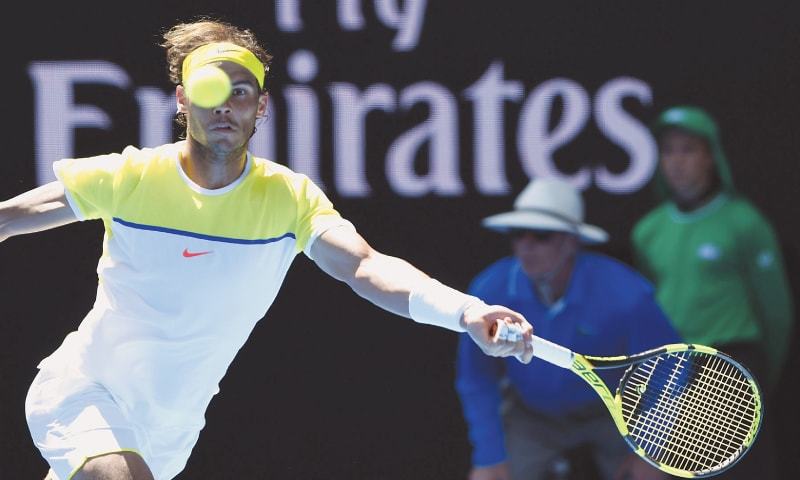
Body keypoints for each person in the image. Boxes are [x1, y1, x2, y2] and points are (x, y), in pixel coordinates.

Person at [0, 19, 535, 480]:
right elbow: (11, 217)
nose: (226, 107)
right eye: (211, 91)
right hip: (85, 387)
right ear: (184, 100)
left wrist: (466, 311)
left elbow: (365, 266)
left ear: (262, 105)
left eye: (241, 92)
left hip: (171, 429)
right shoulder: (132, 176)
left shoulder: (288, 199)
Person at [455, 177, 682, 480]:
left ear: (572, 241)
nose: (527, 246)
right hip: (532, 416)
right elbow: (476, 378)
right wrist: (489, 456)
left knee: (652, 477)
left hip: (614, 411)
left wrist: (650, 449)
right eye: (518, 234)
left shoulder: (626, 295)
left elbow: (669, 368)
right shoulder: (489, 291)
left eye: (541, 235)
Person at [631, 105, 794, 479]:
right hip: (670, 368)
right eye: (668, 151)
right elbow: (645, 311)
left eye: (688, 150)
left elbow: (776, 312)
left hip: (732, 366)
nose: (677, 162)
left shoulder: (744, 223)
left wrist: (753, 373)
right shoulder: (648, 231)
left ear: (711, 157)